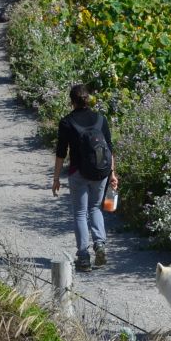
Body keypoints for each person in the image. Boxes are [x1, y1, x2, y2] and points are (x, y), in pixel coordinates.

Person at [52, 83, 118, 272]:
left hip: (78, 173)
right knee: (95, 208)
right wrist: (112, 173)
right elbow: (109, 148)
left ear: (71, 101)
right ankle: (100, 244)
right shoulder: (100, 119)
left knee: (80, 213)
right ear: (88, 99)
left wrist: (56, 178)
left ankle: (83, 257)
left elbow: (60, 153)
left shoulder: (67, 122)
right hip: (101, 172)